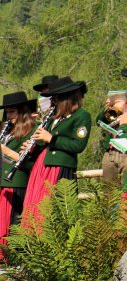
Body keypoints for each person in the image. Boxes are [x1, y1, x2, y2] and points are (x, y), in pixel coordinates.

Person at [21, 77, 92, 225]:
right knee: (35, 205)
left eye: (55, 99)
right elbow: (43, 141)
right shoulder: (53, 118)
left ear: (65, 99)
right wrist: (33, 147)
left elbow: (78, 145)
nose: (52, 102)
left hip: (59, 167)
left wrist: (52, 139)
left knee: (53, 209)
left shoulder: (81, 115)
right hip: (42, 166)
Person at [0, 91, 39, 247]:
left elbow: (32, 162)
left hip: (16, 183)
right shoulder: (5, 129)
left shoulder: (33, 130)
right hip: (2, 183)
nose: (8, 116)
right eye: (6, 112)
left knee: (13, 225)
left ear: (22, 112)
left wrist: (7, 152)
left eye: (12, 112)